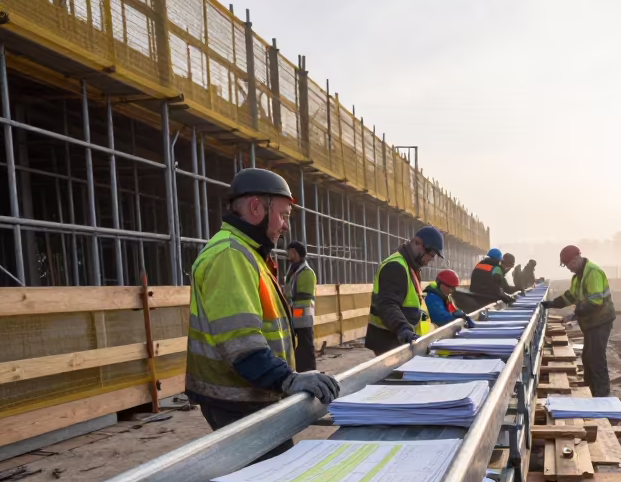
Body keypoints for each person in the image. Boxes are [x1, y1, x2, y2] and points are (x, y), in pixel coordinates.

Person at [185, 168, 340, 461]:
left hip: (250, 392)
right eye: (283, 215)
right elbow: (240, 342)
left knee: (257, 480)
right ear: (256, 207)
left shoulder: (248, 252)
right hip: (237, 397)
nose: (285, 227)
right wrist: (286, 379)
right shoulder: (230, 255)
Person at [542, 244, 616, 397]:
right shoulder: (578, 277)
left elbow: (595, 301)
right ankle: (589, 386)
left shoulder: (592, 272)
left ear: (576, 258)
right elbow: (571, 296)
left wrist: (576, 312)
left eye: (569, 264)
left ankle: (601, 393)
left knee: (596, 357)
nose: (568, 268)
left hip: (600, 321)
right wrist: (553, 303)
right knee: (588, 356)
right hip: (591, 322)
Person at [366, 225, 444, 355]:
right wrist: (403, 329)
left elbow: (417, 306)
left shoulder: (410, 267)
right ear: (417, 242)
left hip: (403, 341)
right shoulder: (395, 266)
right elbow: (387, 304)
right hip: (391, 341)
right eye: (431, 254)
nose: (430, 260)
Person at [284, 240, 317, 371]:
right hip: (294, 315)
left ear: (295, 252)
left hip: (302, 315)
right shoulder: (294, 269)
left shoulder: (306, 272)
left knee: (306, 345)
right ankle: (300, 369)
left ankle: (310, 370)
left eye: (289, 252)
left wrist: (289, 300)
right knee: (297, 346)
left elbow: (302, 295)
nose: (287, 255)